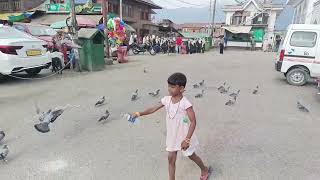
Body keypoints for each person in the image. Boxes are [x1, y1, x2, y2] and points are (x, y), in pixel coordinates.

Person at [131, 73, 211, 180]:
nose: (169, 89)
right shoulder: (166, 99)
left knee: (191, 156)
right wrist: (139, 113)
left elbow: (193, 122)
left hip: (184, 136)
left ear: (181, 88)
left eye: (172, 87)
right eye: (168, 86)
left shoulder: (185, 103)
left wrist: (187, 140)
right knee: (170, 159)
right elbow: (153, 108)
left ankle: (204, 169)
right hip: (172, 136)